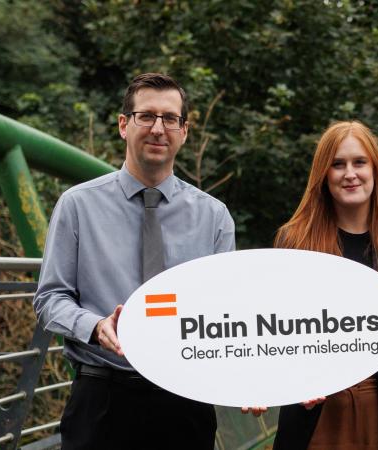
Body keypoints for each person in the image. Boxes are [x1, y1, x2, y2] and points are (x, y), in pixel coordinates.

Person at [33, 73, 238, 449]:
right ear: (124, 125)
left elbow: (224, 311)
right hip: (102, 396)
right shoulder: (78, 206)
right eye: (147, 116)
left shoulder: (215, 217)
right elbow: (49, 300)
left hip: (185, 399)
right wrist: (94, 326)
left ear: (184, 131)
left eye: (170, 119)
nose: (159, 129)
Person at [272, 120, 378, 450]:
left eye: (359, 162)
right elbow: (276, 334)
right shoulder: (294, 242)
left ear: (375, 170)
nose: (350, 173)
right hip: (314, 413)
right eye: (338, 164)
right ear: (323, 174)